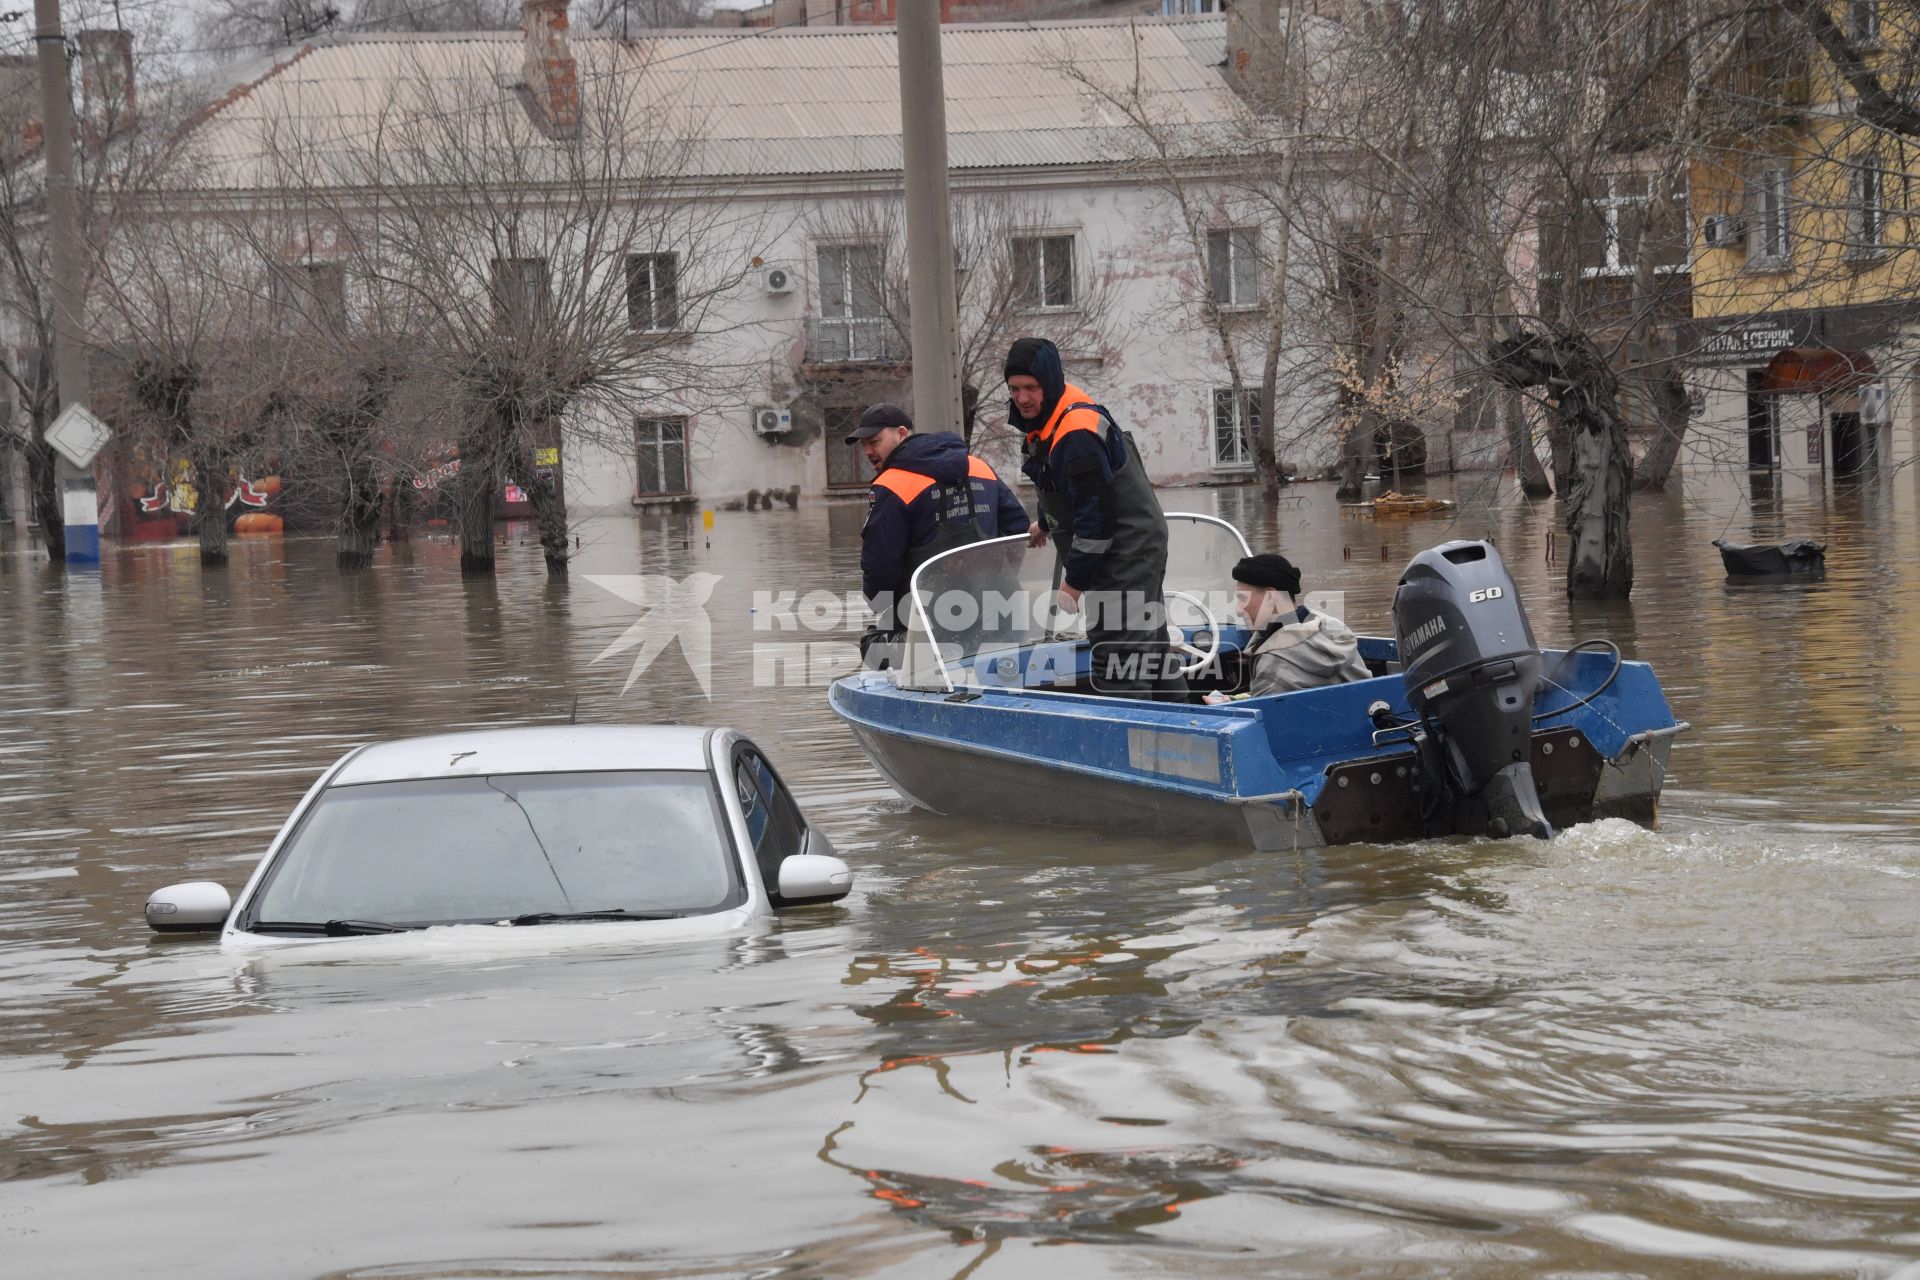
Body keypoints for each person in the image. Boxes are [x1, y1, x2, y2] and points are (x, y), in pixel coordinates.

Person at [1006, 336, 1186, 700]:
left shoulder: (1076, 433)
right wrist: (1046, 520)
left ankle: (1134, 746)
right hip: (1135, 542)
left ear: (1050, 384)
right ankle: (1191, 725)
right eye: (1014, 389)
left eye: (1031, 388)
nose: (1022, 398)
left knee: (1119, 659)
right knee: (1150, 649)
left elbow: (1097, 519)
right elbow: (1062, 482)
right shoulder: (1053, 416)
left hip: (1123, 550)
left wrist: (1074, 584)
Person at [852, 402, 1029, 665]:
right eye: (863, 444)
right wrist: (995, 576)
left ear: (901, 433)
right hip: (1004, 611)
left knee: (874, 651)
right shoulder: (979, 467)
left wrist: (885, 609)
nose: (867, 451)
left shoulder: (893, 484)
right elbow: (1018, 527)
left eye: (874, 441)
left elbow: (880, 564)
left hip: (937, 624)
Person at [1204, 553, 1371, 703]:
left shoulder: (1273, 664)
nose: (1238, 610)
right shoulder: (1333, 628)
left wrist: (1228, 706)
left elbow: (1260, 721)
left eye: (1243, 598)